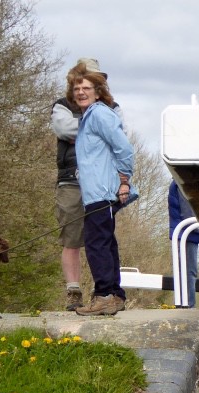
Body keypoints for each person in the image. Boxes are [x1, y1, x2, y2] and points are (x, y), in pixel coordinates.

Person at [51, 58, 122, 311]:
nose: (82, 88)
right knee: (72, 238)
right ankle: (74, 291)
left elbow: (119, 137)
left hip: (101, 182)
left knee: (102, 237)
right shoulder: (61, 105)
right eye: (79, 82)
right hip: (70, 179)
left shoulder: (112, 107)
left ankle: (107, 294)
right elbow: (62, 129)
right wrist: (95, 129)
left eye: (90, 80)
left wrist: (86, 131)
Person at [70, 71, 136, 316]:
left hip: (101, 192)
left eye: (86, 88)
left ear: (98, 92)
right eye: (77, 89)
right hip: (94, 191)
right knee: (106, 242)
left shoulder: (98, 114)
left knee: (96, 243)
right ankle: (115, 295)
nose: (80, 92)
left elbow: (124, 147)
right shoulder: (88, 117)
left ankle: (105, 295)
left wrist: (124, 179)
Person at [168, 179, 199, 307]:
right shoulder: (181, 184)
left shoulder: (178, 183)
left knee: (185, 270)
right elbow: (188, 211)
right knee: (189, 271)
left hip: (184, 231)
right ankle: (187, 305)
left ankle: (184, 303)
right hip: (186, 232)